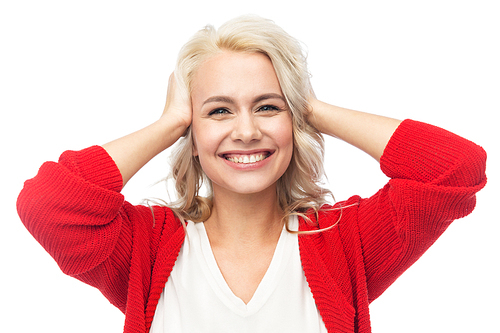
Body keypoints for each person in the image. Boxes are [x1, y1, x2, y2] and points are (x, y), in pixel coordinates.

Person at [16, 15, 487, 333]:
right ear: (192, 134)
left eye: (267, 106)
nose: (246, 131)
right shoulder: (146, 248)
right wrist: (168, 124)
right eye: (219, 111)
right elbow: (47, 206)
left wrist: (309, 106)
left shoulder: (346, 242)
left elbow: (454, 169)